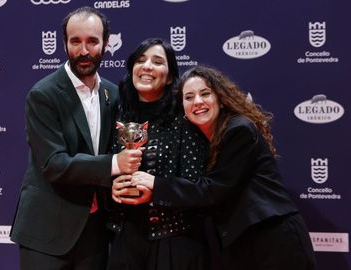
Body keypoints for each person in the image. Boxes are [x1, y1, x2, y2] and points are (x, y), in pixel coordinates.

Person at [116, 65, 317, 270]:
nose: (198, 102)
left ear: (220, 99)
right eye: (189, 97)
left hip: (272, 237)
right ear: (183, 108)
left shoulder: (239, 130)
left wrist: (156, 185)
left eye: (205, 94)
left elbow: (213, 190)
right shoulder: (207, 139)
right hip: (242, 242)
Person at [10, 6, 142, 270]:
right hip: (47, 232)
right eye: (75, 41)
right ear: (64, 43)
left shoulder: (114, 95)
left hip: (95, 232)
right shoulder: (44, 95)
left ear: (106, 43)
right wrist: (115, 164)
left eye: (92, 41)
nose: (84, 51)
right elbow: (53, 164)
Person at [107, 38, 209, 270]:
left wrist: (154, 191)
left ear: (171, 76)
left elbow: (197, 187)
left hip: (174, 241)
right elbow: (104, 168)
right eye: (141, 60)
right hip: (124, 238)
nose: (147, 67)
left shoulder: (185, 118)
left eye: (157, 61)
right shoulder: (118, 116)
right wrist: (113, 188)